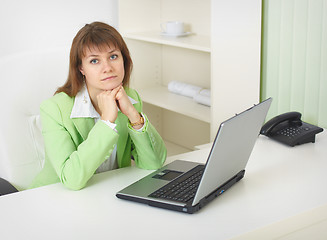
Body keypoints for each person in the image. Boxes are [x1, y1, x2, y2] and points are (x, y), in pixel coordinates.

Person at [30, 22, 167, 190]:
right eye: (94, 61)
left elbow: (154, 162)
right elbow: (72, 179)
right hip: (55, 198)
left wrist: (132, 114)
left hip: (108, 193)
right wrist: (106, 122)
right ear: (81, 68)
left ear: (124, 59)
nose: (107, 68)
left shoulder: (131, 98)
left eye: (113, 56)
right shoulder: (54, 110)